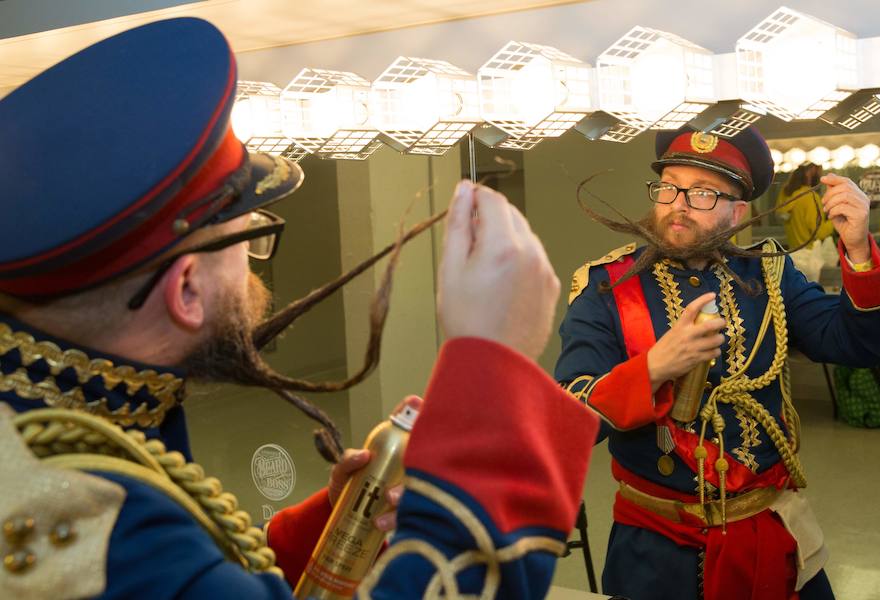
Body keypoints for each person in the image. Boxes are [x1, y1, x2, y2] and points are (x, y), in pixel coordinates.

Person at [0, 18, 599, 599]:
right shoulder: (106, 531)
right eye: (248, 239)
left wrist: (337, 523)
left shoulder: (61, 430)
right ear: (185, 291)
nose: (256, 267)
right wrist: (497, 370)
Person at [556, 124, 880, 600]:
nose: (678, 204)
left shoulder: (769, 273)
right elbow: (569, 419)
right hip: (656, 554)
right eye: (670, 187)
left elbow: (860, 345)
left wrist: (859, 250)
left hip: (771, 532)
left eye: (701, 193)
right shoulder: (604, 288)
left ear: (738, 212)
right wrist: (655, 367)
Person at [775, 162, 835, 249]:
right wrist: (834, 220)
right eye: (820, 170)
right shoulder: (810, 197)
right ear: (812, 169)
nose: (821, 175)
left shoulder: (786, 193)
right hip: (810, 258)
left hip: (793, 254)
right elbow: (819, 232)